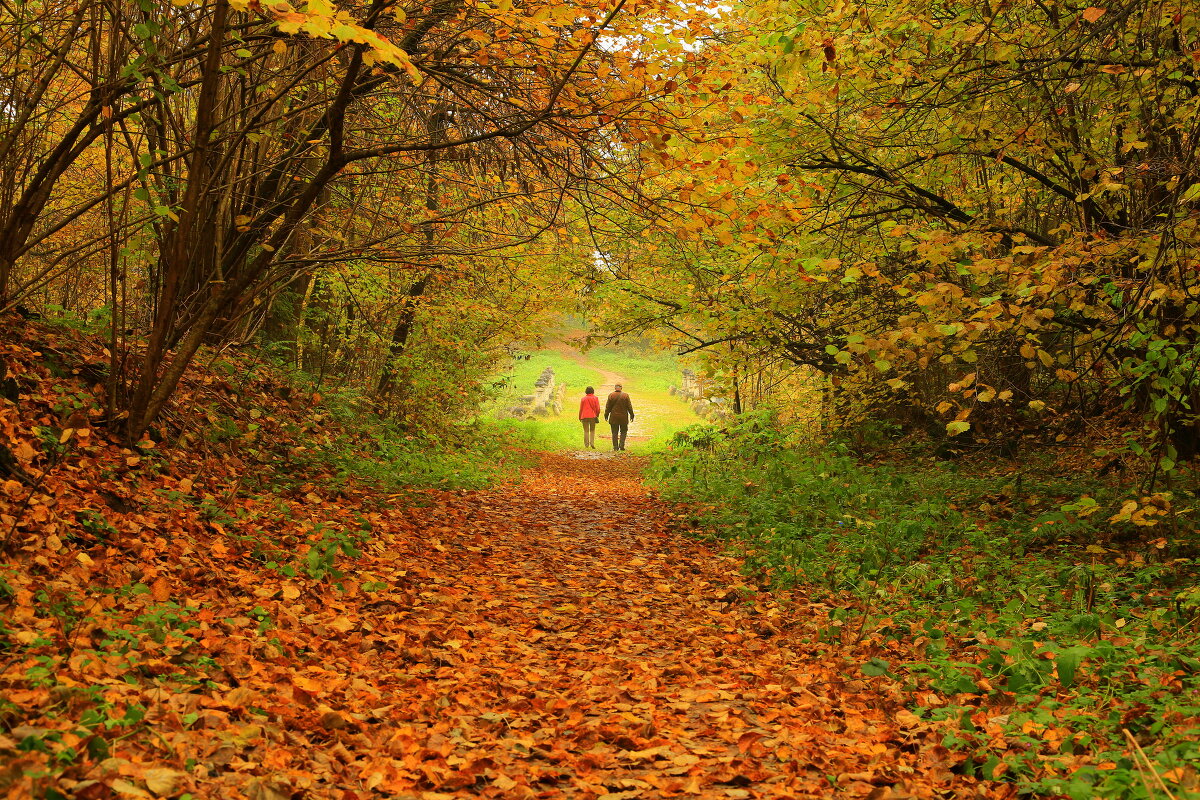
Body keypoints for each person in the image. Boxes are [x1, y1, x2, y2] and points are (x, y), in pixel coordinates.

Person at [604, 383, 635, 451]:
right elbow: (629, 406)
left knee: (614, 432)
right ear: (621, 388)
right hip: (623, 417)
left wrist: (606, 415)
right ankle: (621, 445)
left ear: (615, 388)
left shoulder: (611, 395)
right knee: (623, 431)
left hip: (614, 417)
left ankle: (615, 447)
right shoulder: (625, 395)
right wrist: (632, 415)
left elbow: (608, 407)